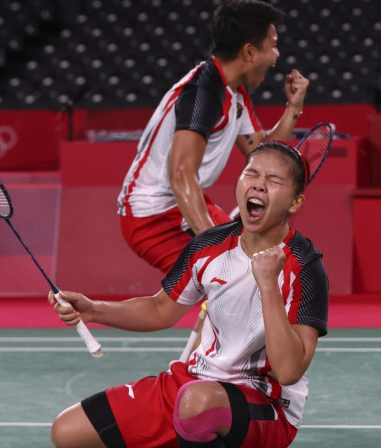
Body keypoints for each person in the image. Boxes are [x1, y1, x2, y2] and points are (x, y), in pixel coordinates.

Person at [49, 140, 329, 448]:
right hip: (194, 383)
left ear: (295, 203)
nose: (259, 185)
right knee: (68, 432)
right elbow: (159, 309)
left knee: (197, 405)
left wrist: (267, 285)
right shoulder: (209, 245)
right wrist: (93, 310)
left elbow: (289, 371)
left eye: (273, 180)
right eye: (252, 174)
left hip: (264, 403)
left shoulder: (305, 266)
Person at [118, 0, 310, 273]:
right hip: (151, 216)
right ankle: (88, 307)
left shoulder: (233, 93)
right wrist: (212, 246)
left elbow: (266, 154)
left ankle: (88, 308)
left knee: (246, 269)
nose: (276, 56)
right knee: (233, 276)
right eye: (273, 45)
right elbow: (181, 175)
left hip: (181, 203)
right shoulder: (203, 92)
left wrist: (293, 108)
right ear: (249, 52)